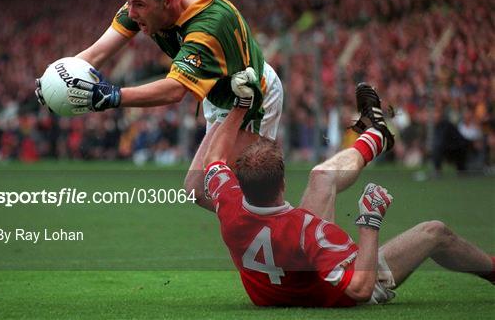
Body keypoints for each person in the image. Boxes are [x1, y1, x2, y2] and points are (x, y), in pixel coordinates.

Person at [203, 80, 494, 306]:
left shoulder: (229, 202)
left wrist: (241, 105)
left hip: (272, 294)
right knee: (436, 232)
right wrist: (370, 220)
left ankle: (377, 134)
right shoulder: (310, 230)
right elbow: (359, 289)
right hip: (331, 294)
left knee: (322, 176)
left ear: (240, 183)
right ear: (282, 185)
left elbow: (212, 160)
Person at [34, 0, 283, 211]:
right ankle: (273, 227)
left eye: (138, 5)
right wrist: (55, 82)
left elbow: (174, 90)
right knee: (202, 190)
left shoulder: (207, 28)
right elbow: (96, 54)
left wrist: (112, 97)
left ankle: (283, 228)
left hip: (250, 95)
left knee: (224, 189)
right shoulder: (147, 3)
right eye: (129, 2)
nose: (130, 13)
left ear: (169, 2)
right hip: (220, 93)